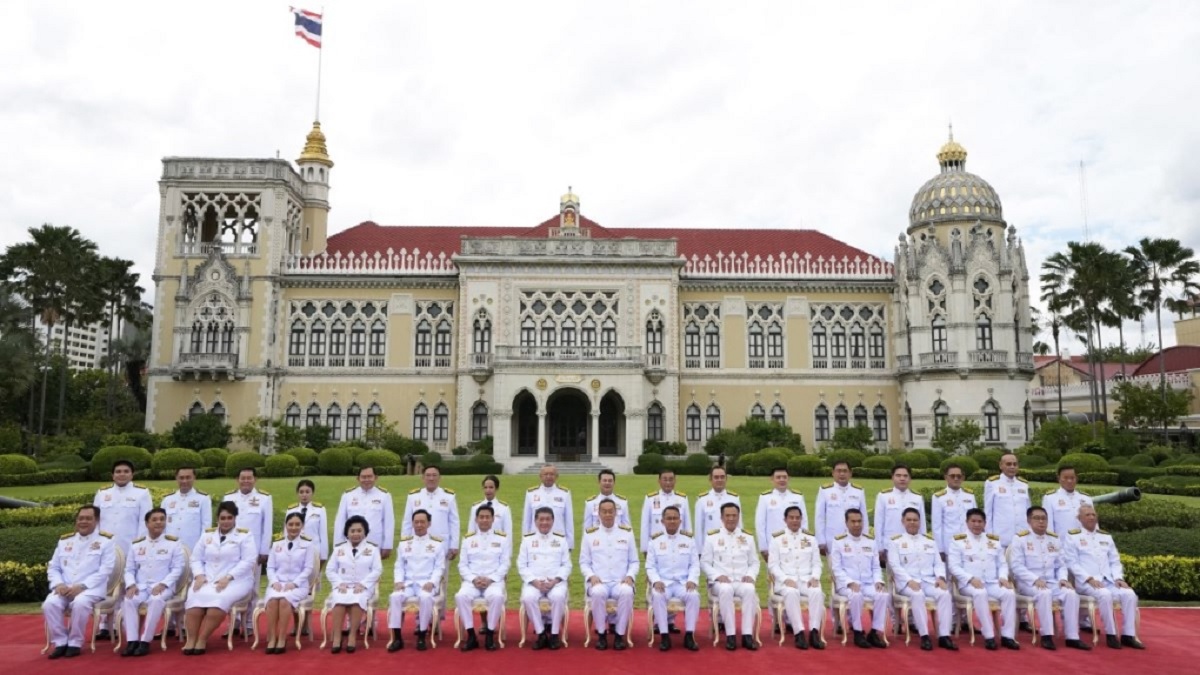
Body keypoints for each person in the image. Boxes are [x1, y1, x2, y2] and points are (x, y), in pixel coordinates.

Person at [1008, 506, 1091, 651]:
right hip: (1028, 583)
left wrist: (1063, 580)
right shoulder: (1020, 539)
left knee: (1071, 594)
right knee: (1044, 593)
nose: (1041, 521)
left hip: (1052, 582)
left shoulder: (1054, 538)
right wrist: (1034, 579)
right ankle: (1047, 636)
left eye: (1044, 518)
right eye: (1036, 518)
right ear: (1028, 520)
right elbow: (1017, 566)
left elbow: (1061, 564)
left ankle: (1072, 637)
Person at [1065, 504, 1145, 650]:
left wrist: (1119, 578)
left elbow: (1115, 560)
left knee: (1130, 594)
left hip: (1109, 580)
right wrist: (1088, 578)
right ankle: (1111, 634)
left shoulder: (1105, 536)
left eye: (1093, 514)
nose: (1091, 517)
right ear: (1079, 518)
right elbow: (1072, 563)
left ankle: (1128, 635)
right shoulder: (1073, 536)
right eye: (1087, 515)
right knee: (1105, 595)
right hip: (1087, 582)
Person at [182, 501, 257, 656]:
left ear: (235, 518)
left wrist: (229, 577)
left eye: (230, 517)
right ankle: (191, 640)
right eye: (223, 518)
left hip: (237, 580)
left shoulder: (244, 535)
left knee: (218, 601)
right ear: (218, 518)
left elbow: (248, 561)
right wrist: (199, 575)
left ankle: (202, 639)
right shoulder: (207, 534)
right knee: (194, 601)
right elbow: (195, 558)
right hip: (208, 578)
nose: (226, 521)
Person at [43, 505, 117, 660]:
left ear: (96, 521)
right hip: (65, 587)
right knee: (49, 604)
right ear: (76, 520)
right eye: (81, 518)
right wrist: (58, 584)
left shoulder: (106, 541)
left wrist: (82, 586)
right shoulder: (65, 541)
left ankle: (75, 642)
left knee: (80, 603)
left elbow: (105, 570)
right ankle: (61, 642)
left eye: (88, 518)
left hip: (91, 589)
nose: (84, 522)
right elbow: (53, 567)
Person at [94, 460, 152, 638]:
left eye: (126, 471)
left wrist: (139, 547)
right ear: (112, 475)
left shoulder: (141, 493)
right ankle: (104, 625)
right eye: (118, 471)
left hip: (129, 548)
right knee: (105, 585)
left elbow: (145, 522)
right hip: (106, 549)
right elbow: (94, 521)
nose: (121, 474)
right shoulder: (102, 493)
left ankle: (123, 624)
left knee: (127, 587)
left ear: (132, 474)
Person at [947, 508, 1019, 650]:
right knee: (980, 593)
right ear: (967, 522)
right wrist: (970, 578)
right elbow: (954, 567)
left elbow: (1002, 564)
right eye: (973, 521)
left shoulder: (993, 540)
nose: (977, 524)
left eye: (980, 521)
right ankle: (989, 635)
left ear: (985, 523)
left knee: (1009, 593)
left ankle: (1007, 636)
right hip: (968, 584)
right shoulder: (958, 541)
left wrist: (1003, 577)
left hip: (992, 582)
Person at [886, 507, 957, 652]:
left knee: (945, 594)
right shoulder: (895, 542)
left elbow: (938, 562)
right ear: (903, 521)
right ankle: (924, 635)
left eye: (915, 520)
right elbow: (894, 565)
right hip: (907, 584)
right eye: (909, 520)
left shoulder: (929, 541)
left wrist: (940, 578)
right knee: (917, 595)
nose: (912, 523)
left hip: (928, 581)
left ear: (920, 522)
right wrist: (908, 581)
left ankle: (944, 635)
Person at [120, 508, 186, 657]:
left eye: (162, 519)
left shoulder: (173, 543)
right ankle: (132, 641)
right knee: (128, 600)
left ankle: (145, 641)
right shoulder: (137, 544)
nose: (159, 522)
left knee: (156, 601)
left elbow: (177, 568)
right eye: (154, 520)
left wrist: (163, 584)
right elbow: (129, 569)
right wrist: (131, 585)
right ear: (147, 523)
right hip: (141, 586)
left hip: (163, 586)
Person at [580, 499, 639, 651]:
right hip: (600, 581)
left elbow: (634, 561)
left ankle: (619, 635)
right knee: (598, 592)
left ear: (616, 513)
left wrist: (630, 576)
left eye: (610, 511)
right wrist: (591, 576)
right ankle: (601, 634)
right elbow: (584, 562)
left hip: (620, 581)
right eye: (604, 511)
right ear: (598, 514)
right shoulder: (589, 534)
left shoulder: (627, 532)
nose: (607, 514)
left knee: (627, 592)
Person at [701, 503, 759, 651]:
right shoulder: (712, 537)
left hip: (741, 579)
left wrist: (750, 575)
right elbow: (705, 563)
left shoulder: (747, 537)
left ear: (739, 517)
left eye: (734, 515)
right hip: (721, 581)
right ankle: (730, 635)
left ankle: (747, 635)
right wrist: (717, 575)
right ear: (721, 517)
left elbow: (754, 562)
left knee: (750, 590)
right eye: (727, 515)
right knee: (725, 589)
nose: (731, 518)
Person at [829, 508, 890, 649]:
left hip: (868, 582)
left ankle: (874, 632)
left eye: (859, 521)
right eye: (853, 521)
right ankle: (857, 632)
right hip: (846, 584)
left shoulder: (870, 541)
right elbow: (836, 568)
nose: (857, 524)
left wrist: (878, 582)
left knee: (883, 595)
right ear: (846, 523)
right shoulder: (839, 542)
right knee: (856, 595)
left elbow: (876, 567)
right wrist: (850, 582)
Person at [388, 510, 447, 652]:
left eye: (422, 522)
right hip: (408, 583)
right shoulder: (404, 543)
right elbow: (399, 565)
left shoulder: (437, 544)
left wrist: (432, 582)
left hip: (425, 584)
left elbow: (439, 567)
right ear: (413, 523)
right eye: (416, 522)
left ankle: (421, 636)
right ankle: (397, 638)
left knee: (426, 598)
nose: (419, 525)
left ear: (429, 523)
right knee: (394, 597)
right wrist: (398, 581)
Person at [768, 505, 826, 650]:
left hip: (806, 580)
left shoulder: (810, 538)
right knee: (791, 592)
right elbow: (773, 566)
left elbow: (817, 563)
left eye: (797, 518)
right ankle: (799, 633)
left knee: (817, 591)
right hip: (786, 581)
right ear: (785, 520)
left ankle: (814, 632)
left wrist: (815, 577)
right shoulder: (777, 539)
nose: (795, 521)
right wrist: (785, 579)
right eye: (791, 518)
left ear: (801, 519)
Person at [455, 504, 511, 652]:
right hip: (472, 582)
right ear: (476, 519)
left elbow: (505, 564)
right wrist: (473, 579)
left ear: (493, 519)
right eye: (481, 517)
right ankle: (471, 635)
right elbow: (462, 565)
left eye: (487, 517)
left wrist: (490, 579)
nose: (484, 520)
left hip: (493, 582)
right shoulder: (468, 539)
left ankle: (490, 635)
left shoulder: (502, 539)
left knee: (497, 596)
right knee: (460, 596)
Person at [224, 467, 273, 636]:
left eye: (249, 478)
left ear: (255, 479)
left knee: (253, 588)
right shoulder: (229, 498)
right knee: (232, 586)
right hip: (232, 550)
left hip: (253, 551)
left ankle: (251, 624)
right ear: (237, 480)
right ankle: (234, 623)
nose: (246, 481)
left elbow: (267, 527)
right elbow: (224, 525)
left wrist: (264, 550)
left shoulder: (264, 498)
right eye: (242, 478)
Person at [646, 505, 700, 651]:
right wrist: (656, 580)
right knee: (657, 596)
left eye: (675, 518)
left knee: (693, 596)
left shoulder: (689, 539)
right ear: (662, 521)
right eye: (669, 518)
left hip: (683, 583)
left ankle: (689, 635)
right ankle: (664, 636)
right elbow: (650, 566)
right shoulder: (655, 541)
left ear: (680, 520)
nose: (672, 521)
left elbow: (695, 564)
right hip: (664, 583)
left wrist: (692, 580)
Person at [326, 515, 383, 654]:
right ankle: (337, 637)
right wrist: (339, 583)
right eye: (352, 531)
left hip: (363, 586)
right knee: (338, 600)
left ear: (365, 532)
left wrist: (363, 584)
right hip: (343, 585)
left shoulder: (373, 549)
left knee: (358, 599)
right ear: (347, 532)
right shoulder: (339, 548)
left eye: (359, 530)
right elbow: (330, 569)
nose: (356, 534)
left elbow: (377, 570)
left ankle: (352, 635)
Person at [263, 512, 317, 654]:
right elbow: (270, 567)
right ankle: (272, 637)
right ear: (286, 526)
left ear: (302, 526)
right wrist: (274, 581)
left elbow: (308, 568)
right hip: (278, 584)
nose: (294, 527)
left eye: (297, 524)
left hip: (298, 586)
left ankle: (282, 638)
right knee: (273, 601)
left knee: (285, 601)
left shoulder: (308, 545)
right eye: (290, 524)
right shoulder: (277, 544)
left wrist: (295, 583)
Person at [518, 506, 571, 650]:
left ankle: (554, 635)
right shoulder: (527, 540)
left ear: (553, 521)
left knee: (558, 597)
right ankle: (541, 633)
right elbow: (521, 565)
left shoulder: (561, 540)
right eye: (541, 519)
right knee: (528, 598)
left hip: (555, 582)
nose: (544, 522)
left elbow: (567, 565)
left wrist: (555, 580)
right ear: (535, 521)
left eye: (548, 519)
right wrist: (534, 581)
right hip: (534, 582)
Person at [334, 467, 394, 559]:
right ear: (358, 478)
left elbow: (389, 522)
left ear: (376, 478)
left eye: (370, 476)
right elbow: (340, 522)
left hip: (374, 542)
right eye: (363, 477)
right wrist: (338, 545)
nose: (367, 480)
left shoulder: (384, 495)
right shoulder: (348, 495)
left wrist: (387, 545)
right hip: (351, 543)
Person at [403, 466, 460, 560]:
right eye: (428, 475)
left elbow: (454, 522)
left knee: (441, 573)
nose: (431, 478)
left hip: (442, 544)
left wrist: (454, 545)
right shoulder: (413, 496)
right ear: (422, 478)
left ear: (440, 478)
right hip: (417, 543)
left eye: (434, 475)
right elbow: (407, 522)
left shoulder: (449, 496)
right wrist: (405, 543)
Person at [873, 464, 924, 567]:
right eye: (898, 475)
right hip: (890, 545)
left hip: (913, 545)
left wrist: (922, 544)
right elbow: (878, 523)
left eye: (905, 476)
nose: (902, 478)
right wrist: (879, 547)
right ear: (892, 477)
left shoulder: (917, 497)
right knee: (892, 580)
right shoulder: (883, 496)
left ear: (910, 478)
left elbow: (922, 524)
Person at [754, 467, 807, 561]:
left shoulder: (797, 497)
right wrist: (763, 547)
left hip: (794, 543)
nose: (781, 480)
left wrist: (804, 543)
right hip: (773, 543)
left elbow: (804, 521)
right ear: (772, 479)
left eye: (784, 477)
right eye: (778, 477)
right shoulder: (765, 497)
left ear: (788, 478)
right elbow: (760, 523)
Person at [813, 461, 865, 556]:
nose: (842, 474)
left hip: (854, 539)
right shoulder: (825, 490)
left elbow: (863, 516)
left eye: (845, 471)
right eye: (838, 471)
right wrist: (821, 541)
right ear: (833, 473)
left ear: (850, 473)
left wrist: (865, 538)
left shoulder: (858, 491)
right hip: (832, 539)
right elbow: (819, 517)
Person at [523, 464, 574, 550]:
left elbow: (569, 520)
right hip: (536, 540)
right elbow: (527, 520)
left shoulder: (564, 493)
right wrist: (525, 541)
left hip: (557, 540)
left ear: (557, 476)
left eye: (551, 474)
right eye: (545, 474)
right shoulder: (531, 493)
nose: (548, 476)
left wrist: (569, 544)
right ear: (540, 476)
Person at [984, 453, 1030, 548]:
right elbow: (988, 512)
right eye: (1008, 464)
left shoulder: (1023, 484)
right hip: (1001, 538)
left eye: (1015, 464)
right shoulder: (992, 483)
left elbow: (1028, 512)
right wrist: (990, 536)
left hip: (1022, 537)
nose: (1012, 467)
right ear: (1001, 465)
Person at [932, 463, 977, 559]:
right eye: (952, 476)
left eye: (959, 476)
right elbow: (937, 526)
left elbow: (976, 520)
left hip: (969, 544)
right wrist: (940, 549)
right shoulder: (939, 497)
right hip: (949, 545)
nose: (956, 478)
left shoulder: (970, 496)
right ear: (946, 477)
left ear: (963, 478)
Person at [161, 466, 211, 551]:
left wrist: (201, 547)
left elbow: (206, 526)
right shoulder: (167, 499)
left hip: (193, 547)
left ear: (194, 478)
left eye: (188, 477)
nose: (184, 481)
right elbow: (162, 525)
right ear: (176, 478)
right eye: (181, 478)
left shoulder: (203, 498)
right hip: (170, 547)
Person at [642, 469, 690, 553]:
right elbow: (645, 525)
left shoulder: (682, 499)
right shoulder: (650, 499)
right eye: (665, 479)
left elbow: (687, 524)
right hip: (657, 544)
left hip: (678, 544)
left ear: (675, 481)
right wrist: (645, 548)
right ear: (659, 481)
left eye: (671, 479)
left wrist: (689, 544)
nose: (668, 482)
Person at [694, 465, 740, 552]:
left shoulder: (734, 498)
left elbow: (739, 524)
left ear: (726, 479)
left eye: (722, 477)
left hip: (730, 546)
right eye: (716, 477)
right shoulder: (702, 500)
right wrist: (699, 551)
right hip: (710, 547)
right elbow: (698, 528)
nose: (719, 480)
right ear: (710, 479)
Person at [286, 479, 330, 564]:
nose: (304, 495)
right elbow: (286, 532)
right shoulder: (291, 510)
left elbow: (323, 534)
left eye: (307, 492)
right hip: (295, 551)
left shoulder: (320, 510)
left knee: (314, 577)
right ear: (297, 493)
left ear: (312, 493)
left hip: (314, 551)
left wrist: (323, 556)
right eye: (301, 492)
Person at [1043, 465, 1093, 539]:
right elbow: (1048, 525)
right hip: (1062, 543)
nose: (1069, 481)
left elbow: (1093, 522)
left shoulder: (1086, 498)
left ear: (1076, 479)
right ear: (1059, 479)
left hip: (1084, 543)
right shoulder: (1050, 498)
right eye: (1065, 478)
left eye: (1072, 478)